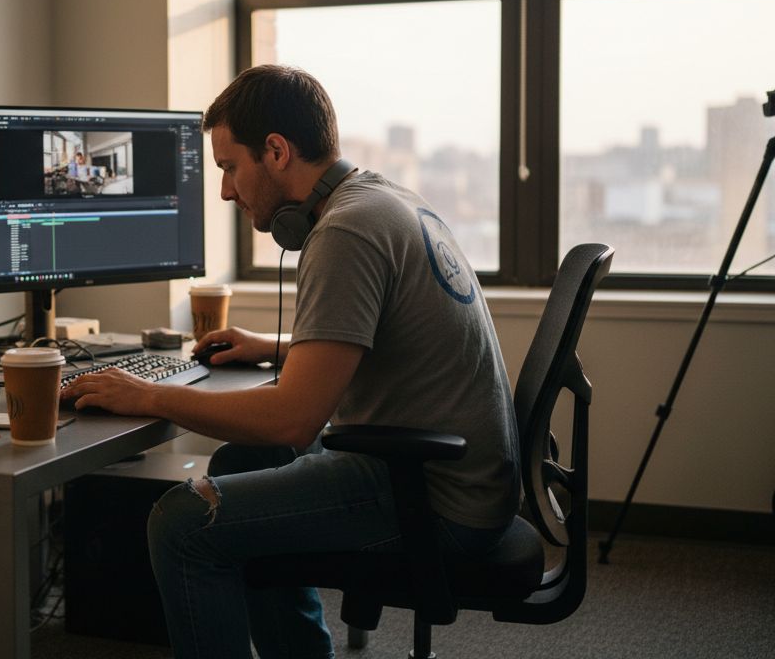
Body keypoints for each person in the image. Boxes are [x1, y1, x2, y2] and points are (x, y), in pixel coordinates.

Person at [60, 65, 520, 659]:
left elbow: (292, 421)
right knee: (241, 461)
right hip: (461, 476)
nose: (225, 190)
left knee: (179, 526)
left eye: (229, 167)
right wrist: (278, 348)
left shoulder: (346, 233)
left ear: (276, 151)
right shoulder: (383, 199)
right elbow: (386, 337)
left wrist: (146, 395)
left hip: (431, 498)